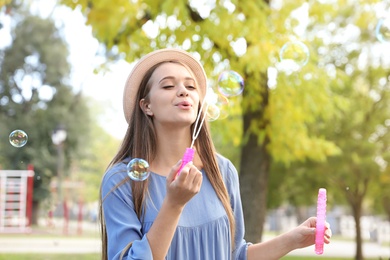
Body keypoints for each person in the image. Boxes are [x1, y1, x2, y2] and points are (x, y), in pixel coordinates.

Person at [99, 48, 332, 260]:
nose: (183, 91)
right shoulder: (121, 181)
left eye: (191, 87)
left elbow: (235, 254)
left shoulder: (222, 171)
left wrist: (293, 240)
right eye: (169, 86)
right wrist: (173, 203)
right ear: (146, 106)